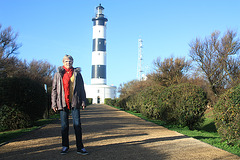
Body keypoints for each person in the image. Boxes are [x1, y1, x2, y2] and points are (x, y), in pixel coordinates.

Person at [51, 55, 88, 155]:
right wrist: (53, 103)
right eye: (66, 61)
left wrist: (83, 102)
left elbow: (81, 89)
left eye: (70, 61)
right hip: (63, 102)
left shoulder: (77, 74)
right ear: (63, 62)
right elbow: (54, 90)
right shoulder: (58, 74)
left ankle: (80, 147)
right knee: (64, 126)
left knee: (77, 125)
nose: (68, 63)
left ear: (72, 62)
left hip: (75, 102)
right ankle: (65, 146)